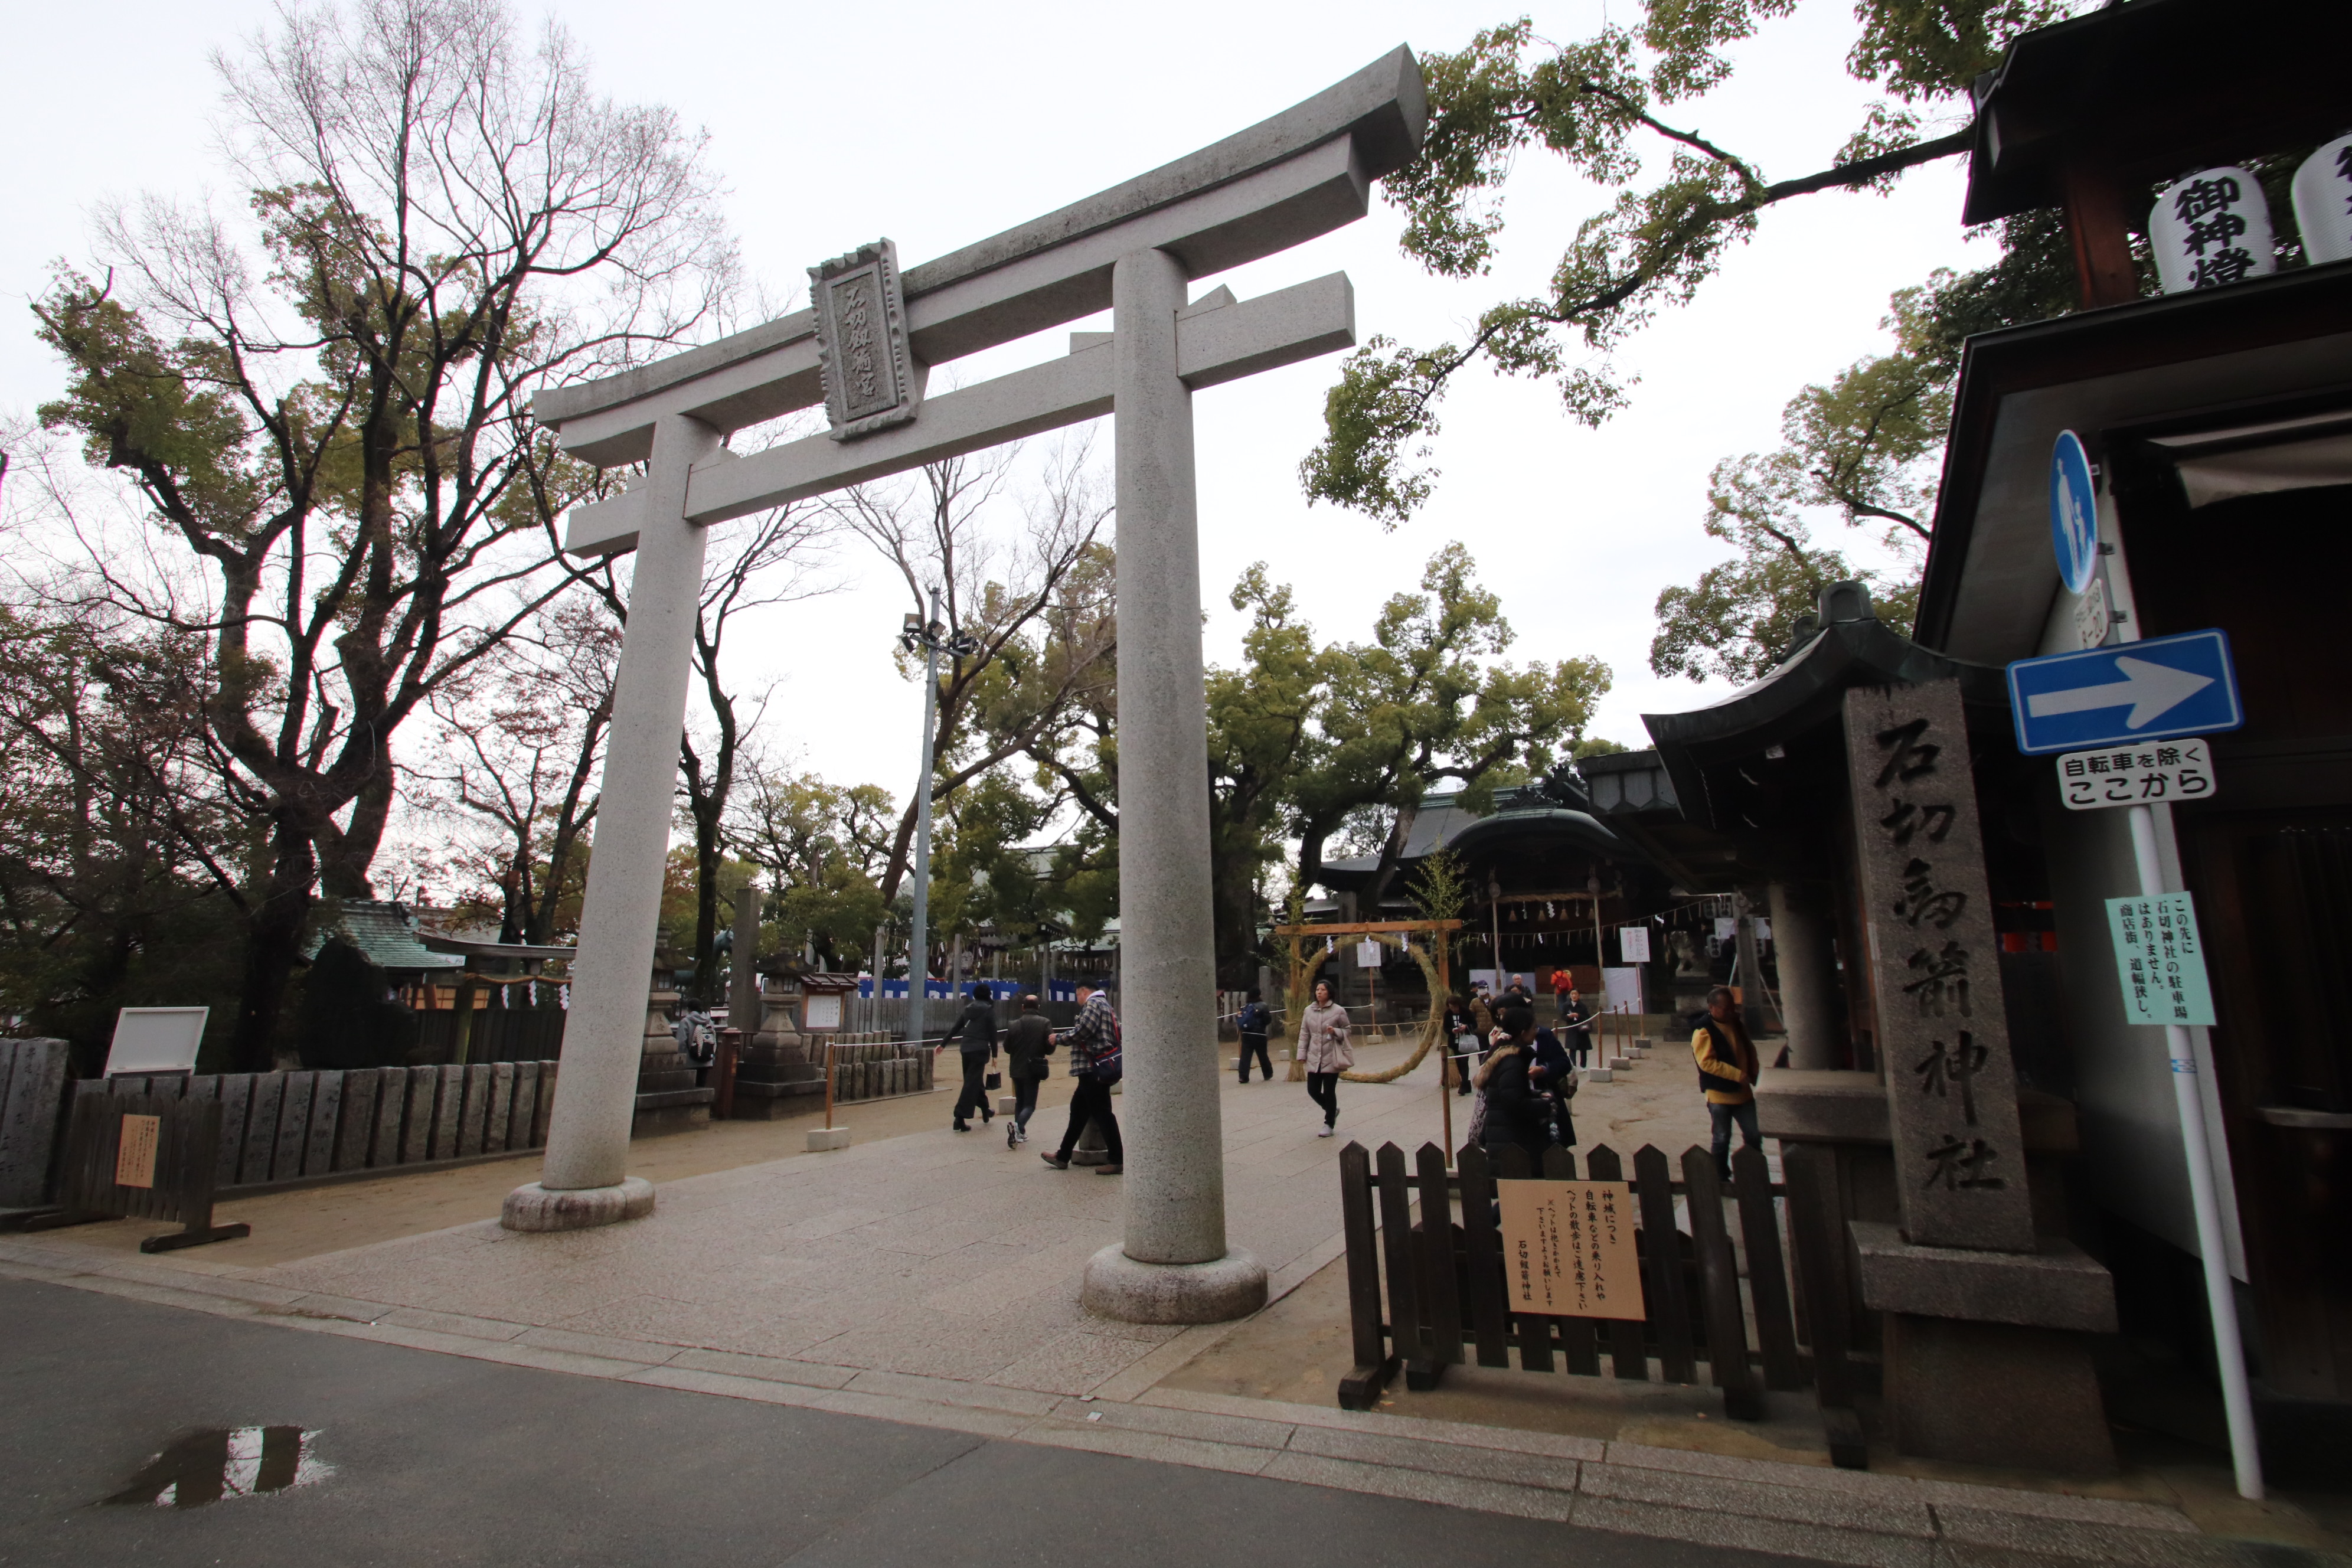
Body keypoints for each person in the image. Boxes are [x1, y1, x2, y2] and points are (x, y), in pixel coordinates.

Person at [1042, 984, 1123, 1175]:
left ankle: (1117, 1159)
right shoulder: (1107, 1006)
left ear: (1083, 992)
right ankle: (1063, 1156)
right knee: (1078, 1112)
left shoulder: (1093, 1004)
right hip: (1096, 1067)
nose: (1077, 1000)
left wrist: (1059, 1038)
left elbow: (1084, 1030)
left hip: (1091, 1068)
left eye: (1077, 995)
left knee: (1103, 1114)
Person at [1474, 1004, 1557, 1168]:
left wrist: (1536, 1095)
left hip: (1505, 1135)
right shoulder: (1512, 1062)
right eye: (1533, 1028)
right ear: (1523, 1033)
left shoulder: (1508, 1056)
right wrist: (1545, 1106)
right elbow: (1512, 1102)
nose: (1536, 1031)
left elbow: (1511, 1092)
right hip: (1510, 1139)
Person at [1694, 984, 1763, 1178]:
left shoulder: (1737, 1024)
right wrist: (1737, 1074)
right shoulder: (1703, 1031)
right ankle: (1721, 1176)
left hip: (1743, 1092)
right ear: (1712, 1008)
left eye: (1733, 1007)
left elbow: (1749, 1050)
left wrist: (1754, 1073)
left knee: (1754, 1134)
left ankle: (1753, 1172)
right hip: (1719, 1094)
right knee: (1722, 1138)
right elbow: (1707, 1063)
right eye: (1726, 1008)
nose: (1731, 1011)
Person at [1297, 978, 1353, 1136]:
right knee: (1313, 1090)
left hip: (1331, 1056)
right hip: (1314, 1055)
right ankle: (1332, 1109)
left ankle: (1329, 1124)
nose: (1319, 993)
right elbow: (1304, 1033)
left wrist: (1335, 1031)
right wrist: (1301, 1054)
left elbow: (1347, 1030)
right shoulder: (1309, 1010)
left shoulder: (1338, 1011)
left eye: (1322, 990)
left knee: (1329, 1091)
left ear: (1329, 992)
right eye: (1317, 990)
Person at [942, 981, 998, 1132]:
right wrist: (995, 1053)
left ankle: (986, 1109)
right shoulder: (988, 1010)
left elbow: (956, 1027)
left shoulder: (968, 1008)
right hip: (980, 1050)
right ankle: (960, 1117)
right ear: (988, 995)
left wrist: (943, 1044)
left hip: (965, 1048)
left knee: (974, 1081)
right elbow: (993, 1033)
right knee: (971, 1083)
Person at [1001, 992, 1054, 1146]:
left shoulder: (1013, 1024)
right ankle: (1018, 1126)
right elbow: (1049, 1048)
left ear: (1023, 1007)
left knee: (1020, 1101)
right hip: (1034, 1068)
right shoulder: (1045, 1023)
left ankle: (1020, 1133)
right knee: (1030, 1104)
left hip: (1016, 1068)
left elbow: (1007, 1047)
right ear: (1038, 1007)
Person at [1236, 989, 1273, 1083]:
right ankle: (1268, 1073)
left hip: (1246, 1034)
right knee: (1263, 1055)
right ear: (1259, 995)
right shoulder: (1263, 1005)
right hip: (1259, 1034)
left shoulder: (1245, 1007)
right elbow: (1268, 1020)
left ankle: (1243, 1076)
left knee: (1245, 1056)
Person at [1560, 984, 1595, 1068]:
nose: (1574, 996)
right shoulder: (1566, 1005)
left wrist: (1578, 1016)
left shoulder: (1583, 1006)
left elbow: (1587, 1017)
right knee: (1572, 1049)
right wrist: (1568, 1017)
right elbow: (1563, 1016)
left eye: (1576, 994)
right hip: (1571, 1028)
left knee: (1583, 1049)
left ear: (1579, 996)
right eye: (1572, 994)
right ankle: (1573, 1065)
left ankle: (1583, 1066)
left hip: (1581, 1029)